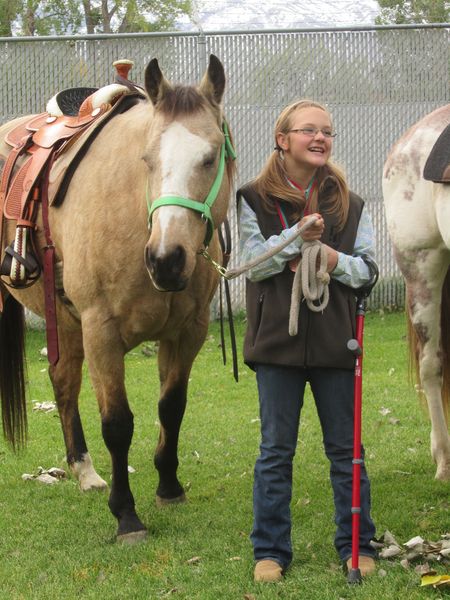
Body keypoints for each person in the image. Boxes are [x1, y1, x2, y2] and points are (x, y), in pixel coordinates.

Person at [236, 99, 377, 583]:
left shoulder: (350, 203)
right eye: (309, 131)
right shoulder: (252, 198)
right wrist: (298, 236)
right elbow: (254, 259)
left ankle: (356, 544)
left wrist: (335, 261)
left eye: (328, 132)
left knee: (347, 449)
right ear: (283, 139)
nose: (321, 138)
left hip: (338, 344)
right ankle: (270, 551)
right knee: (276, 450)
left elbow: (369, 270)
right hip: (276, 343)